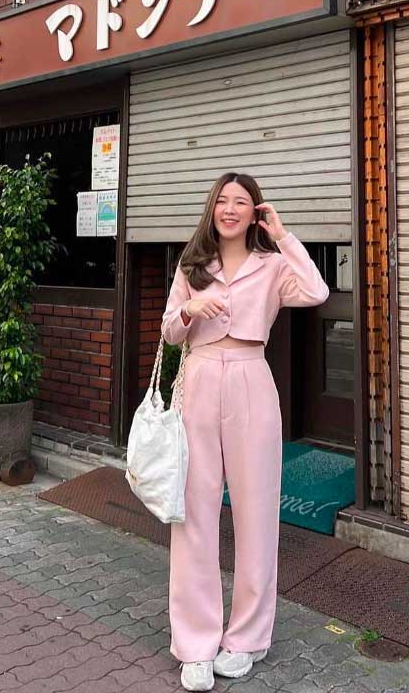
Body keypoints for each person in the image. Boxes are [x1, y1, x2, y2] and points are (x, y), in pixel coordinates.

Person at [160, 172, 329, 691]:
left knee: (257, 513)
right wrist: (189, 308)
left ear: (254, 211)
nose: (230, 209)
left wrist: (282, 234)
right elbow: (169, 332)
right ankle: (195, 643)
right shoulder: (194, 265)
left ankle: (248, 638)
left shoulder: (273, 265)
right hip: (201, 380)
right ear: (211, 209)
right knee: (194, 513)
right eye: (222, 201)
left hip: (253, 380)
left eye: (242, 202)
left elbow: (318, 291)